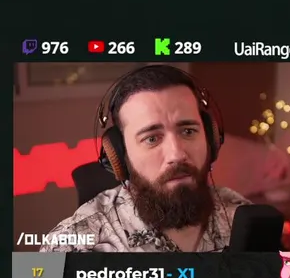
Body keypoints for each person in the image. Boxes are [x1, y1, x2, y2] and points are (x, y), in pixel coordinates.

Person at [41, 65, 250, 253]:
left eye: (188, 131)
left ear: (210, 139)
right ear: (120, 155)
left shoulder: (243, 217)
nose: (177, 154)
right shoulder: (69, 244)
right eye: (151, 139)